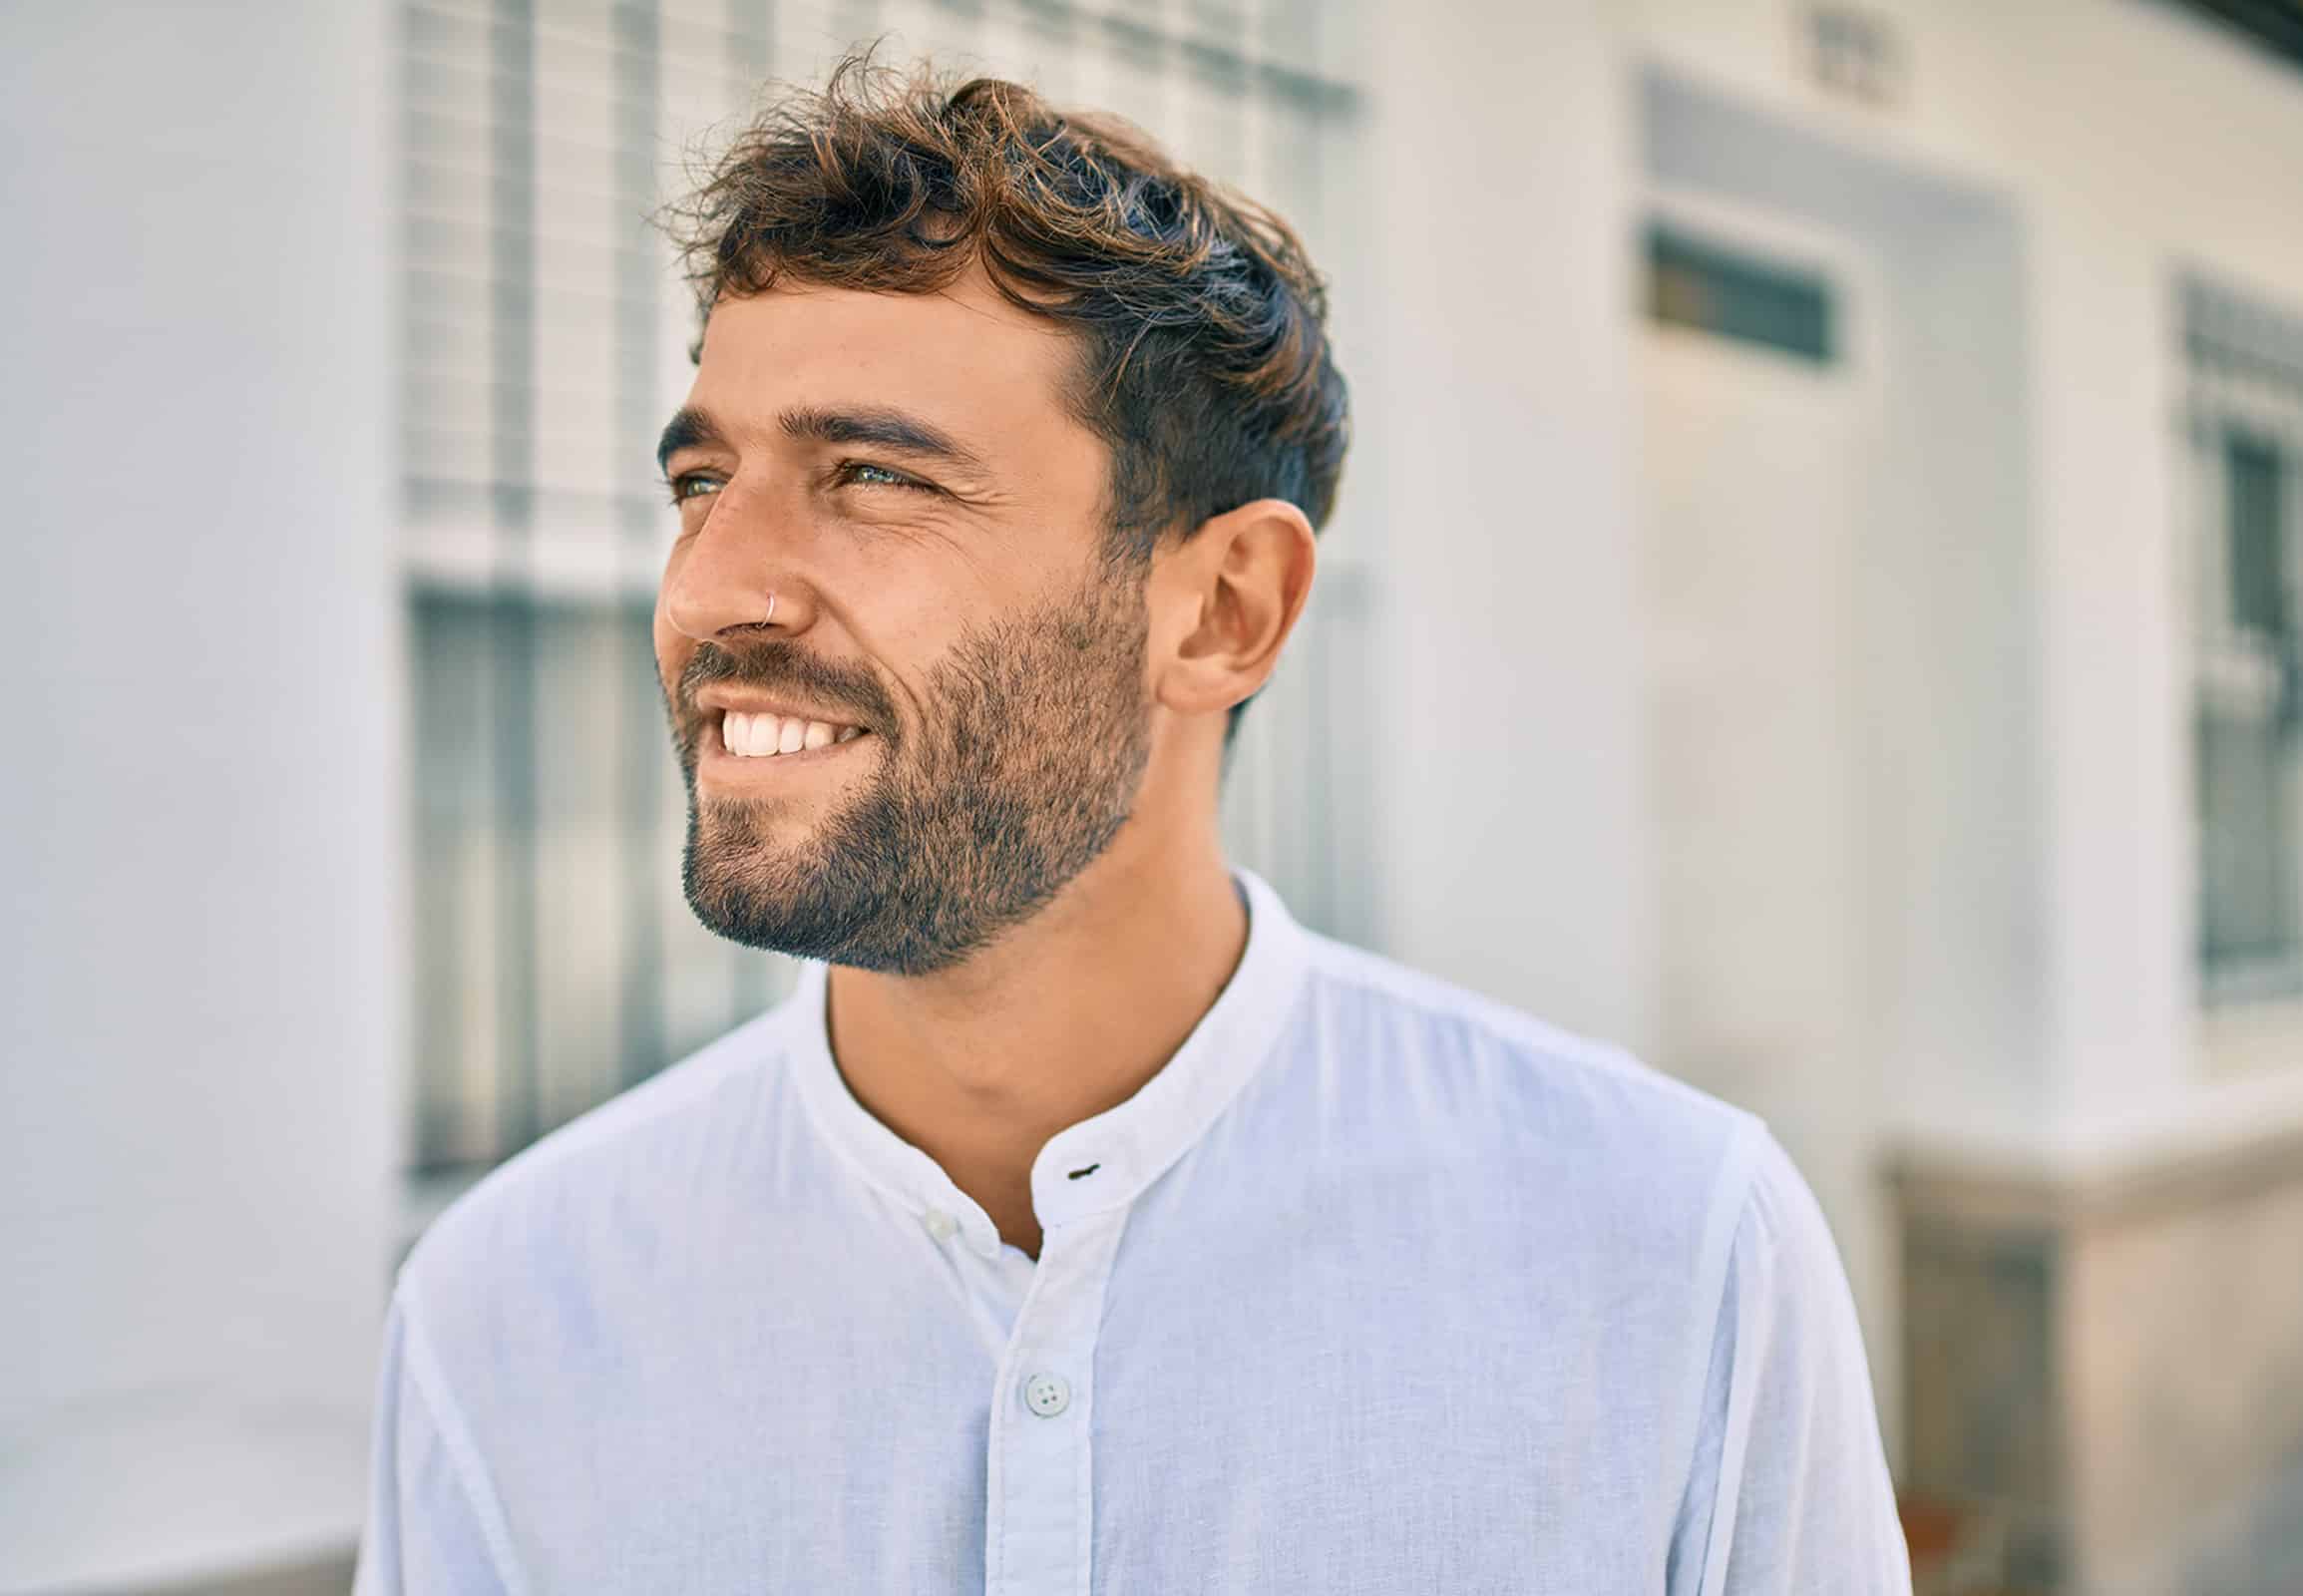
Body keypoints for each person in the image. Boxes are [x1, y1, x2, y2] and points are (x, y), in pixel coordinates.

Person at [355, 55, 1910, 1595]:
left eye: (877, 474)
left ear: (1225, 609)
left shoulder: (1671, 1255)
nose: (708, 590)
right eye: (703, 481)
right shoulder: (510, 1315)